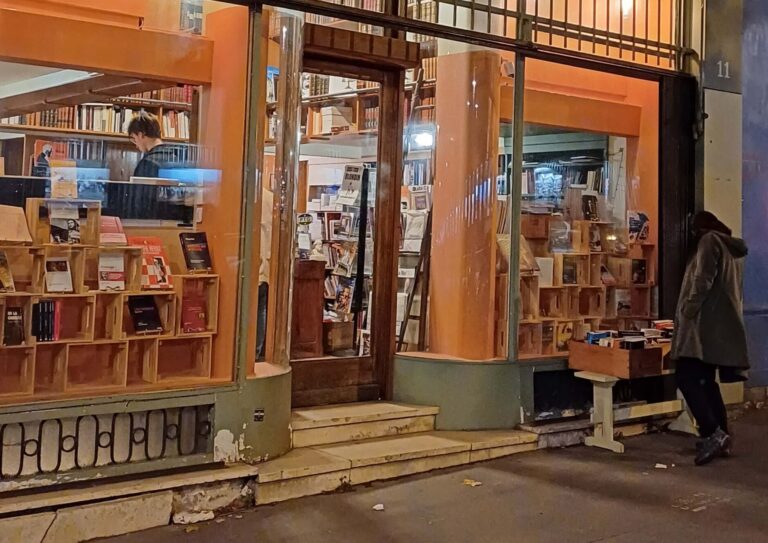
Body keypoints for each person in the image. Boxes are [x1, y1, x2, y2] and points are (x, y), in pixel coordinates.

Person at [671, 211, 749, 466]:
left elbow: (702, 279)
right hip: (718, 329)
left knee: (686, 376)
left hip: (701, 328)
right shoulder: (730, 248)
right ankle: (722, 434)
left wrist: (687, 311)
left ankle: (711, 432)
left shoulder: (709, 242)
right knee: (705, 380)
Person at [127, 112, 175, 178]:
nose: (136, 146)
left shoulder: (147, 164)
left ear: (141, 135)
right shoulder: (175, 158)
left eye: (134, 139)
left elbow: (140, 188)